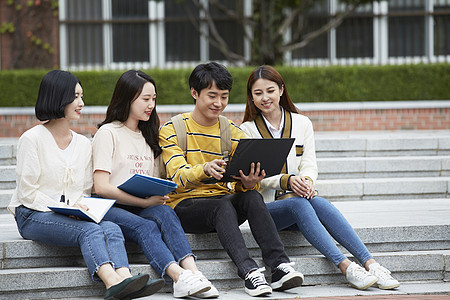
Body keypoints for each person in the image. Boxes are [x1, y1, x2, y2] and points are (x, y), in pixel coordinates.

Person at [240, 65, 401, 291]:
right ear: (251, 97)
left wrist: (306, 182)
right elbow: (257, 177)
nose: (265, 98)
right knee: (298, 204)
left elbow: (309, 164)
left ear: (281, 90)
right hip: (268, 212)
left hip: (301, 204)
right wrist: (285, 180)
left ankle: (371, 264)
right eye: (258, 93)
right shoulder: (246, 130)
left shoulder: (302, 123)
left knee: (318, 202)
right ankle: (346, 266)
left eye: (270, 91)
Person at [7, 70, 164, 300]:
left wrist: (81, 209)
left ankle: (125, 277)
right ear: (58, 98)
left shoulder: (82, 143)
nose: (82, 103)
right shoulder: (32, 139)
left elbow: (83, 190)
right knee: (89, 230)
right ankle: (111, 282)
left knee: (111, 227)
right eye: (76, 97)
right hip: (32, 214)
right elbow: (28, 193)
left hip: (71, 213)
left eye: (82, 96)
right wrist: (64, 211)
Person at [159, 62, 304, 297]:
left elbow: (241, 182)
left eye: (224, 97)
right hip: (185, 207)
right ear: (194, 93)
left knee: (252, 196)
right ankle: (249, 272)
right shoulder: (173, 129)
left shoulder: (231, 131)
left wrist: (248, 182)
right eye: (212, 96)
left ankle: (278, 266)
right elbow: (177, 176)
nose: (218, 103)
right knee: (222, 204)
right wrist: (205, 169)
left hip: (222, 205)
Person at [92, 70, 217, 299]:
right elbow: (100, 187)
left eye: (154, 99)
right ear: (127, 98)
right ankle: (178, 277)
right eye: (145, 99)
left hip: (141, 205)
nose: (151, 105)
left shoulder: (150, 136)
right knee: (146, 226)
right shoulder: (108, 133)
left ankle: (195, 273)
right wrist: (143, 201)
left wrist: (162, 191)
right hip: (109, 207)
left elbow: (156, 179)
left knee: (165, 213)